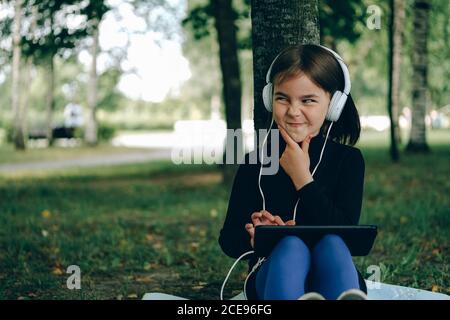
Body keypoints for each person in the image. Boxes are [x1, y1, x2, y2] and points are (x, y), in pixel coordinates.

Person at [219, 44, 368, 300]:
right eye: (282, 98)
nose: (293, 111)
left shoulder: (349, 161)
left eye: (308, 100)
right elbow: (229, 241)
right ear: (269, 99)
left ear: (334, 104)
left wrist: (303, 179)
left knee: (332, 243)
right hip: (273, 275)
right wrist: (259, 236)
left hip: (333, 275)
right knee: (291, 245)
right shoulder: (255, 163)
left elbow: (346, 233)